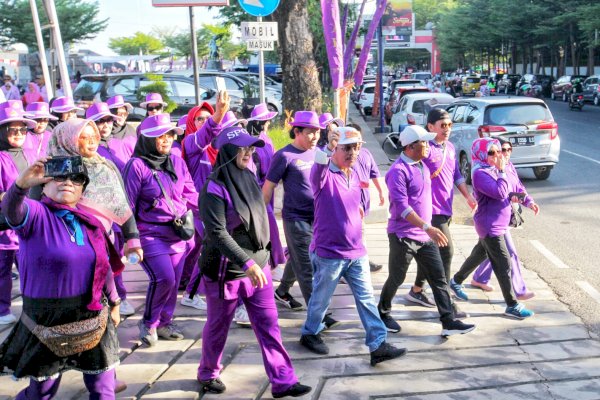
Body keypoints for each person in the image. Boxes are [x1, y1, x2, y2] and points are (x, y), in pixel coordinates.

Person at [196, 126, 311, 398]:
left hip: (259, 269)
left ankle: (283, 381)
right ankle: (207, 373)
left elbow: (262, 218)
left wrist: (269, 256)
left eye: (251, 148)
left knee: (269, 325)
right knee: (217, 327)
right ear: (227, 152)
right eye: (243, 148)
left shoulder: (249, 176)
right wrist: (247, 264)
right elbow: (217, 233)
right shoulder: (213, 188)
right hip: (227, 272)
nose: (249, 153)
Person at [0, 157, 123, 399]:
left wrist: (115, 303)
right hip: (46, 320)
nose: (68, 182)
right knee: (43, 392)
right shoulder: (35, 215)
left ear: (82, 189)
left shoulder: (90, 222)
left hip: (92, 315)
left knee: (103, 388)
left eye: (76, 179)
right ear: (44, 185)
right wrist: (20, 186)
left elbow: (104, 267)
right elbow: (12, 211)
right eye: (59, 177)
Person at [300, 127, 407, 366]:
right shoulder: (324, 175)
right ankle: (310, 332)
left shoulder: (355, 172)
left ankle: (378, 344)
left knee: (367, 298)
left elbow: (359, 202)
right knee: (321, 299)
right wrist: (328, 147)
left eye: (356, 147)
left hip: (356, 251)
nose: (353, 152)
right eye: (347, 148)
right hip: (329, 253)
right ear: (335, 150)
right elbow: (317, 168)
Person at [378, 125, 476, 337]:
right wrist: (427, 227)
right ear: (410, 146)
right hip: (403, 236)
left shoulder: (423, 165)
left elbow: (450, 175)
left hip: (425, 236)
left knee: (439, 278)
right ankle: (383, 312)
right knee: (397, 277)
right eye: (423, 142)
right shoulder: (397, 172)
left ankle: (448, 321)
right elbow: (403, 208)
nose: (427, 146)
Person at [48, 118, 143, 321]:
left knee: (101, 288)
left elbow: (122, 204)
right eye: (85, 137)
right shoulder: (51, 169)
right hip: (64, 245)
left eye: (95, 137)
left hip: (100, 240)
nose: (92, 142)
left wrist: (132, 239)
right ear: (68, 140)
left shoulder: (105, 167)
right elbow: (35, 207)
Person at [123, 113, 198, 346]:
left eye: (169, 134)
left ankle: (165, 322)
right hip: (149, 233)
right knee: (163, 277)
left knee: (174, 282)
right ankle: (148, 323)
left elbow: (189, 191)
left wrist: (214, 208)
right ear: (146, 139)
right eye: (159, 136)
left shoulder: (176, 159)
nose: (166, 140)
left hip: (178, 233)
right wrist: (130, 239)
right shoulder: (136, 166)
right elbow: (127, 205)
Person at [449, 138, 535, 319]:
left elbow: (513, 188)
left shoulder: (495, 169)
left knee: (478, 255)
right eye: (491, 152)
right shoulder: (480, 174)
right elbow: (500, 192)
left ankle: (456, 280)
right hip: (490, 226)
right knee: (504, 264)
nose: (498, 155)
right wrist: (502, 170)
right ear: (481, 154)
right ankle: (512, 304)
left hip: (499, 224)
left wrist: (528, 201)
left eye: (498, 151)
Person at [404, 109, 476, 314]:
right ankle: (446, 303)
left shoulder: (450, 148)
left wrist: (468, 196)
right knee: (446, 252)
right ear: (430, 127)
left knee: (431, 254)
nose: (447, 129)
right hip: (430, 210)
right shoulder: (424, 149)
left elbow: (456, 175)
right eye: (442, 125)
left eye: (449, 125)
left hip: (446, 208)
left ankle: (417, 290)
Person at [262, 111, 329, 318]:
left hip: (318, 219)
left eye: (317, 132)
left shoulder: (319, 153)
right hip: (296, 220)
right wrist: (261, 218)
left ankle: (282, 292)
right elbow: (268, 188)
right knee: (308, 267)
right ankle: (318, 316)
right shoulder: (284, 156)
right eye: (310, 132)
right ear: (297, 132)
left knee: (297, 258)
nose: (315, 136)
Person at [0, 105, 36, 325]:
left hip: (30, 222)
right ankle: (3, 309)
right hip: (5, 226)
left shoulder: (31, 153)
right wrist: (13, 196)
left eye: (23, 130)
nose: (19, 134)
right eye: (13, 130)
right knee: (3, 270)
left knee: (32, 268)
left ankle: (33, 306)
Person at [245, 102, 286, 270]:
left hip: (269, 186)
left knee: (268, 226)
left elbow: (274, 157)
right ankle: (274, 262)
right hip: (257, 190)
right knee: (267, 225)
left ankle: (272, 260)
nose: (269, 124)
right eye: (266, 121)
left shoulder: (266, 139)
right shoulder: (250, 143)